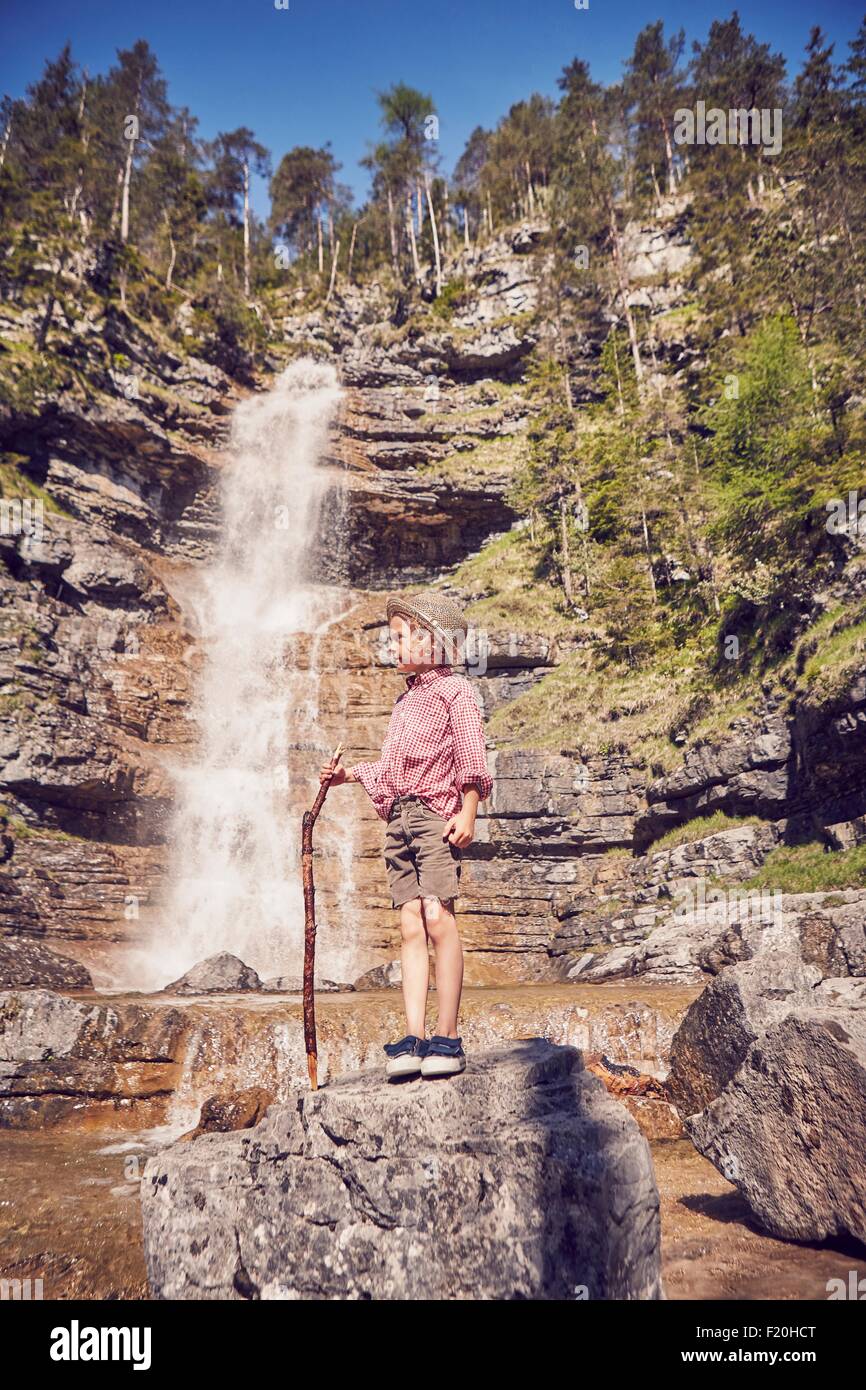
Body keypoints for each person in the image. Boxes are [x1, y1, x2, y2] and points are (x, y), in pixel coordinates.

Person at [319, 590, 492, 1080]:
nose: (392, 647)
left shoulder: (454, 692)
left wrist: (469, 810)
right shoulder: (406, 702)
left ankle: (449, 1036)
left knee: (438, 917)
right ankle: (414, 1037)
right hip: (400, 820)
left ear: (434, 641)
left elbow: (470, 754)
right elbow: (392, 770)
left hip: (435, 817)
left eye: (400, 637)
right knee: (410, 924)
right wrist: (345, 776)